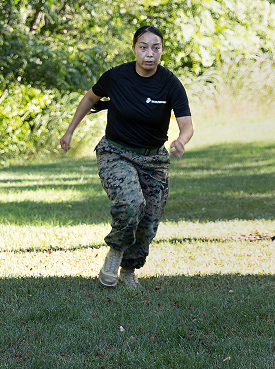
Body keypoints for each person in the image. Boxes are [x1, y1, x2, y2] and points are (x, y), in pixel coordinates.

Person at [60, 25, 193, 288]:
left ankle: (129, 269)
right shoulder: (116, 77)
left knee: (149, 222)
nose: (149, 54)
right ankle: (115, 252)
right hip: (116, 152)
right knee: (131, 205)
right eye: (143, 47)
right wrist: (69, 131)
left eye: (156, 48)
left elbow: (186, 124)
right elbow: (89, 99)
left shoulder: (169, 83)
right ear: (134, 49)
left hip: (154, 160)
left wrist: (181, 140)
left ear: (162, 51)